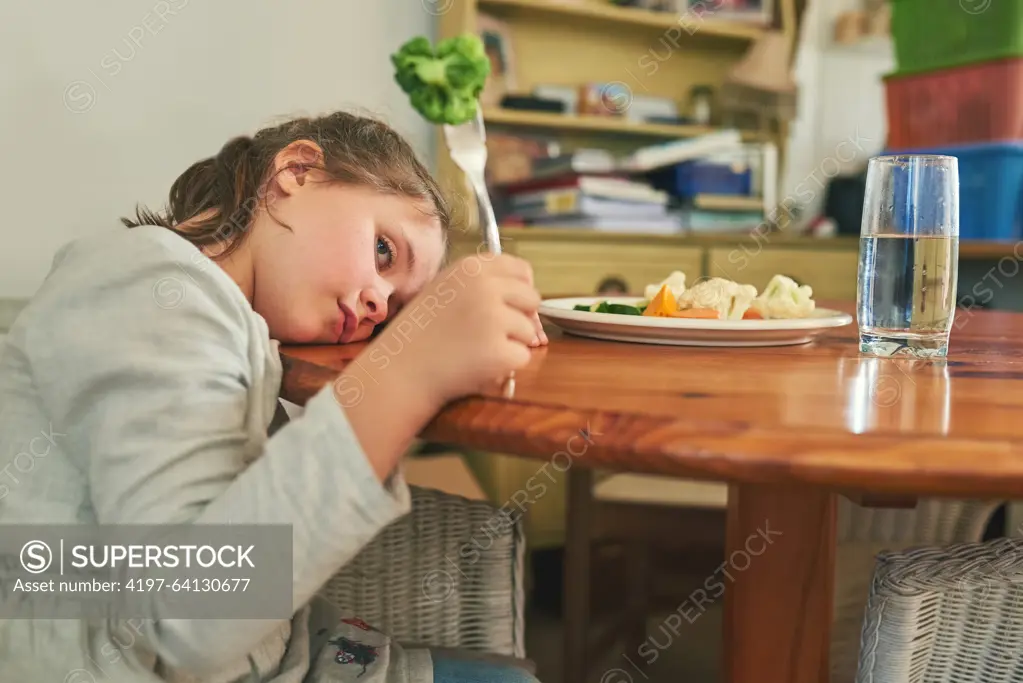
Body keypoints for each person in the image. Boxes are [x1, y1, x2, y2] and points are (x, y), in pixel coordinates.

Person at [0, 110, 547, 682]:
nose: (378, 306)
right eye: (384, 252)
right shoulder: (151, 285)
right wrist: (409, 375)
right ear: (298, 169)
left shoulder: (232, 323)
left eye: (395, 313)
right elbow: (191, 612)